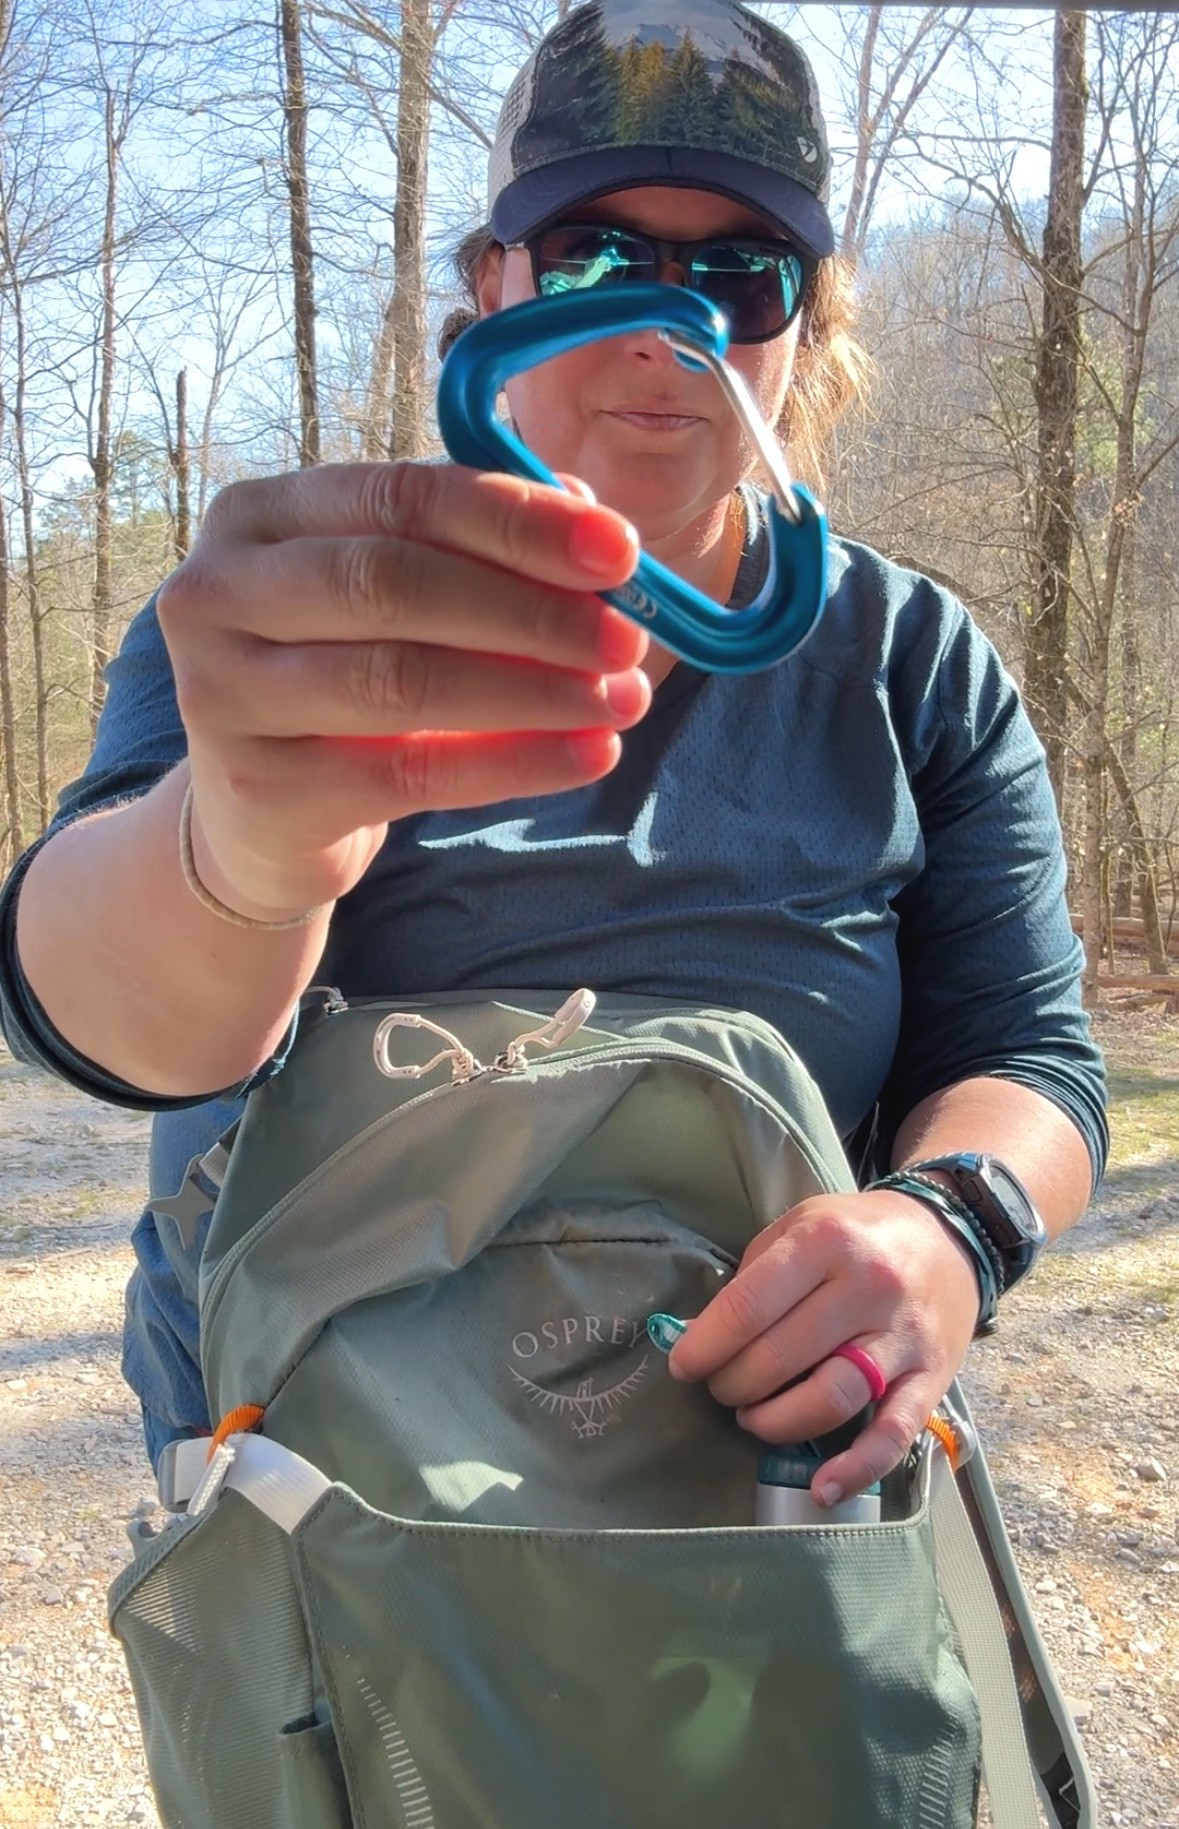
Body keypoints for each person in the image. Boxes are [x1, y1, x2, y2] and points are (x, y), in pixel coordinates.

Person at [0, 0, 1106, 1517]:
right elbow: (98, 1019)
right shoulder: (293, 616)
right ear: (492, 288)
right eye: (594, 259)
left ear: (806, 326)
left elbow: (1031, 1056)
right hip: (330, 1528)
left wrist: (948, 1225)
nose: (669, 327)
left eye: (740, 274)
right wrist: (238, 856)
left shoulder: (911, 664)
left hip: (759, 1512)